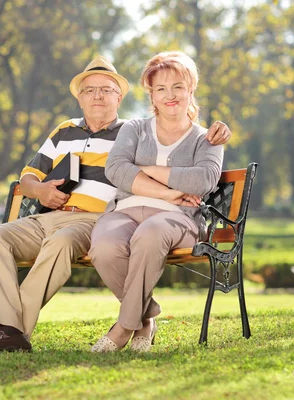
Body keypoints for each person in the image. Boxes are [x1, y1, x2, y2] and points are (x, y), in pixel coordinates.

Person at [0, 55, 231, 353]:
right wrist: (40, 191)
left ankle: (13, 330)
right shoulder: (65, 130)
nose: (98, 96)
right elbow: (30, 177)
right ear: (79, 98)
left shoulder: (131, 130)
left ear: (120, 97)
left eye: (106, 90)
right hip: (50, 216)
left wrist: (217, 130)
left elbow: (182, 154)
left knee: (62, 243)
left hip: (93, 219)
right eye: (90, 90)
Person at [88, 51, 224, 353]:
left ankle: (124, 327)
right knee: (104, 246)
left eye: (177, 86)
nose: (170, 95)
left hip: (179, 218)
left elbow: (204, 179)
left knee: (150, 233)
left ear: (191, 89)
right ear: (151, 94)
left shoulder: (207, 139)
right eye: (160, 88)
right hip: (125, 211)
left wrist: (146, 170)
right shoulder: (134, 129)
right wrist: (170, 191)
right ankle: (145, 320)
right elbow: (116, 169)